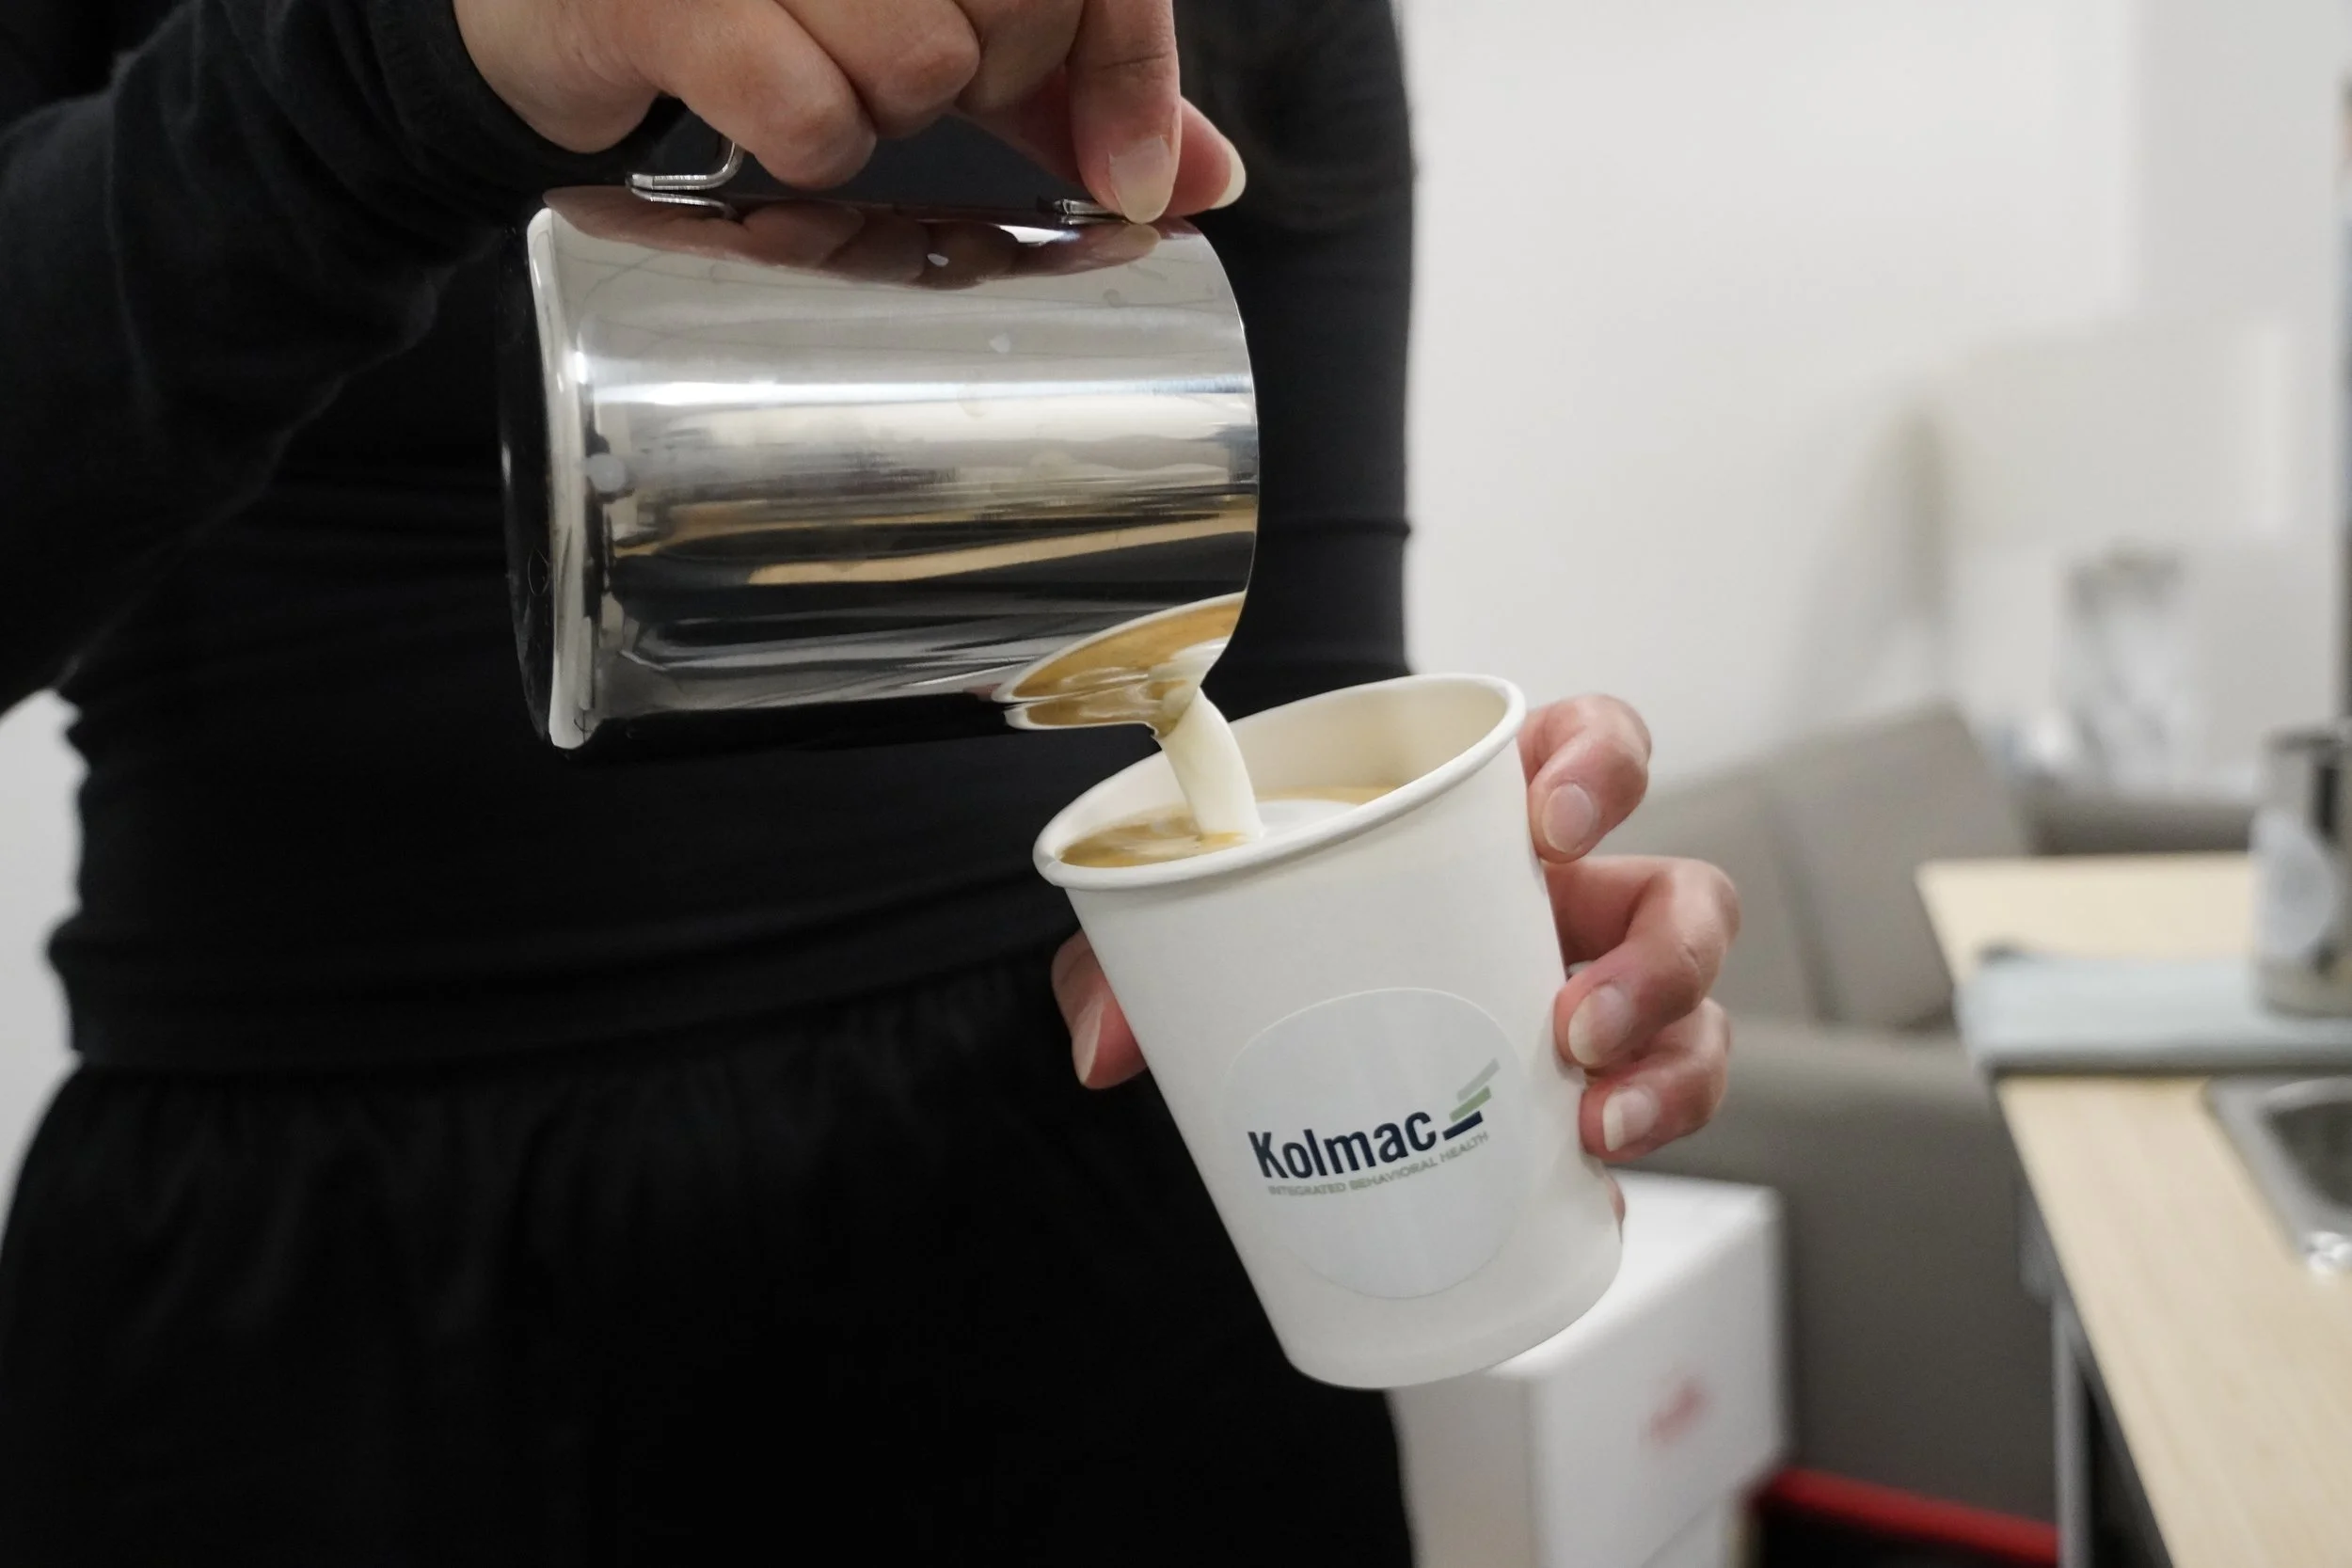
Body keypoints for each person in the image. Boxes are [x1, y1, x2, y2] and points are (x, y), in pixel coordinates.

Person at [0, 0, 1739, 1560]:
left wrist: (1439, 931)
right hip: (309, 1298)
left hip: (1074, 1235)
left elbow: (1268, 692)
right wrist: (404, 65)